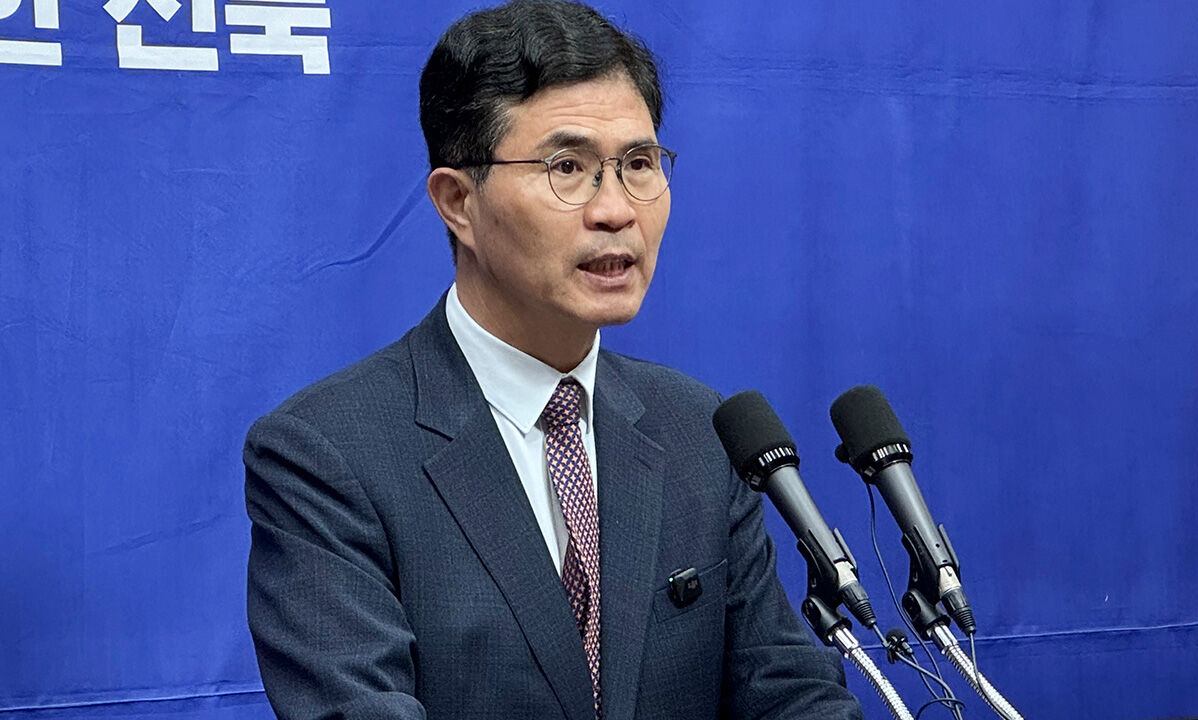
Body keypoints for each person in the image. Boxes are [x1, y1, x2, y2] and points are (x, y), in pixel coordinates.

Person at [244, 2, 865, 719]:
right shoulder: (327, 453)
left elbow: (787, 691)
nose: (616, 210)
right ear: (458, 202)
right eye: (568, 167)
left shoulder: (699, 429)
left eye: (638, 164)